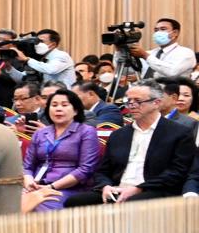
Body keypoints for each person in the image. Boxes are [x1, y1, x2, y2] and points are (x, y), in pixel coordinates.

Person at [63, 81, 195, 207]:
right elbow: (102, 170)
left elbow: (177, 172)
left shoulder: (179, 133)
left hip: (153, 189)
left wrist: (138, 188)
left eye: (138, 101)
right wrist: (105, 186)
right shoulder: (119, 135)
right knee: (75, 201)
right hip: (117, 188)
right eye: (129, 101)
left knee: (133, 202)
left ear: (156, 103)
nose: (131, 105)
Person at [20, 89, 100, 213]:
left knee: (41, 205)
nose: (58, 109)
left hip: (68, 188)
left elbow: (85, 169)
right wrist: (29, 182)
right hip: (36, 185)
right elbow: (27, 166)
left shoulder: (86, 131)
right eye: (54, 105)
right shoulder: (40, 133)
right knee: (8, 202)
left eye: (64, 105)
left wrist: (50, 186)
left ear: (76, 110)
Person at [141, 18, 196, 84]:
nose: (158, 33)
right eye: (156, 30)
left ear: (175, 33)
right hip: (146, 91)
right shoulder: (150, 53)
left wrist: (146, 56)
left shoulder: (186, 53)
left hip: (173, 92)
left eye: (163, 29)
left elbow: (172, 72)